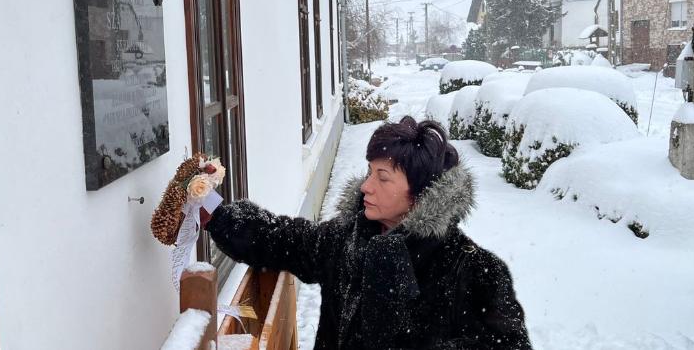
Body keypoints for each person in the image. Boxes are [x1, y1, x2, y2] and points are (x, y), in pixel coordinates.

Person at [202, 116, 532, 349]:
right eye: (370, 172)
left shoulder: (475, 271)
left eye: (383, 177)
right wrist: (212, 207)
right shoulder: (346, 238)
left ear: (421, 193)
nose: (366, 186)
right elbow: (280, 239)